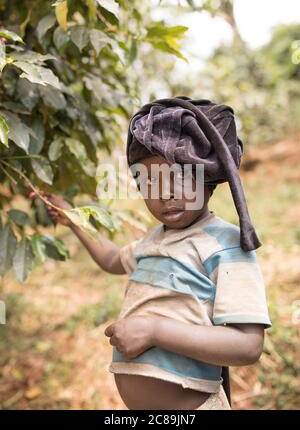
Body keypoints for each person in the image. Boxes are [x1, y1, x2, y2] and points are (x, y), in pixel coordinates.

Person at [38, 97, 272, 410]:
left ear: (209, 179)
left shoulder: (224, 244)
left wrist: (154, 330)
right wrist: (73, 219)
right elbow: (111, 259)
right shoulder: (155, 241)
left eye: (180, 178)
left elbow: (248, 346)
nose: (165, 194)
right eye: (150, 182)